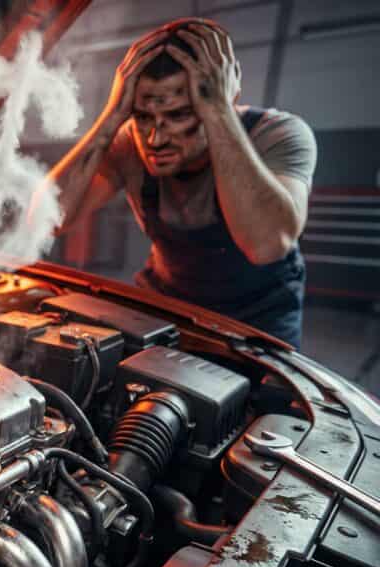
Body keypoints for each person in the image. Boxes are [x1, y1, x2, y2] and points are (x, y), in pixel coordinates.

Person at [48, 18, 317, 348]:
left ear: (223, 100)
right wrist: (113, 115)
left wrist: (219, 110)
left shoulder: (279, 135)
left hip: (258, 319)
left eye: (178, 116)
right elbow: (46, 221)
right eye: (143, 116)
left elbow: (266, 245)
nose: (155, 138)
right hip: (169, 303)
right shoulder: (129, 142)